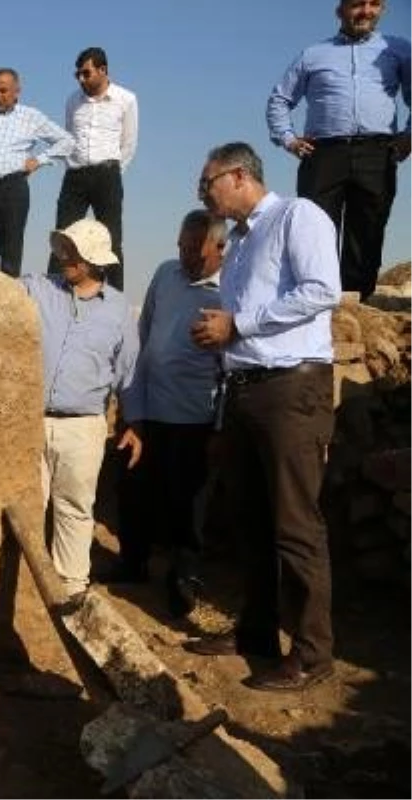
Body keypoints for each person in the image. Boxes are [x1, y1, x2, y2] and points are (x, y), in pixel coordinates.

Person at [188, 142, 340, 693]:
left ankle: (312, 653)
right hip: (246, 389)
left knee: (296, 525)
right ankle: (256, 632)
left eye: (208, 183)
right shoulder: (242, 243)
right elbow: (241, 323)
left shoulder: (297, 216)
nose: (203, 193)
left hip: (290, 389)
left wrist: (240, 326)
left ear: (237, 175)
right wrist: (222, 339)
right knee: (250, 520)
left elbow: (322, 291)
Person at [108, 210, 227, 618]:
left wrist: (220, 426)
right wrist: (132, 410)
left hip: (195, 416)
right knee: (134, 487)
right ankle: (132, 561)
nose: (185, 256)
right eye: (181, 246)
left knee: (187, 503)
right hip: (150, 407)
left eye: (194, 249)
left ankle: (185, 577)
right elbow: (143, 341)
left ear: (219, 248)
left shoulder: (230, 291)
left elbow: (230, 366)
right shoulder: (166, 274)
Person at [23, 219, 140, 597]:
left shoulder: (119, 310)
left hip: (85, 425)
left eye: (71, 252)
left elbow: (128, 371)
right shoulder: (38, 289)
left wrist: (132, 422)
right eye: (62, 249)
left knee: (74, 507)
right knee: (28, 506)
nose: (63, 258)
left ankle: (71, 591)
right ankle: (26, 591)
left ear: (92, 260)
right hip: (32, 420)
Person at [266, 0, 412, 300]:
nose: (367, 11)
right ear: (340, 10)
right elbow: (279, 99)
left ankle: (356, 304)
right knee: (315, 230)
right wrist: (288, 138)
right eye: (358, 4)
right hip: (323, 154)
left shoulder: (399, 50)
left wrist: (410, 136)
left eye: (375, 4)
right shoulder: (313, 54)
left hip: (377, 152)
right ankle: (316, 303)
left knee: (368, 231)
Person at [0, 68, 73, 278]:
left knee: (10, 254)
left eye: (3, 91)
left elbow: (66, 141)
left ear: (17, 91)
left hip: (12, 189)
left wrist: (39, 160)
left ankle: (7, 308)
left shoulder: (31, 116)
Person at [53, 47, 138, 290]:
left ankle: (114, 298)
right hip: (75, 176)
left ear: (103, 70)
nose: (81, 79)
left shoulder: (126, 99)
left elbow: (129, 143)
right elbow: (69, 135)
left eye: (86, 73)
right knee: (63, 237)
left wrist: (112, 173)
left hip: (107, 175)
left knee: (112, 240)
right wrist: (72, 166)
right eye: (77, 74)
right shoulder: (72, 100)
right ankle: (55, 294)